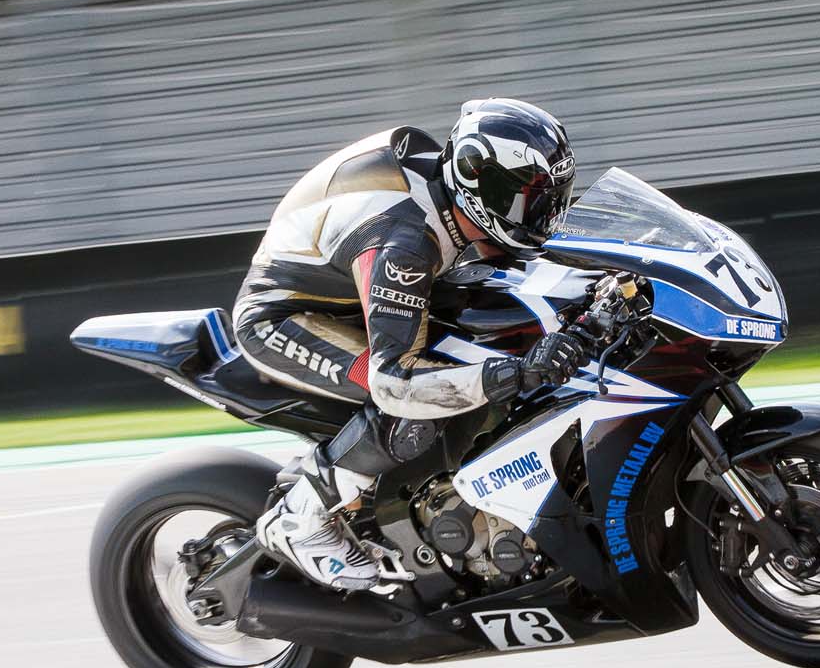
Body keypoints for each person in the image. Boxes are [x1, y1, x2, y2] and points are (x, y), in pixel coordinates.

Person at [234, 99, 587, 591]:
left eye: (552, 198)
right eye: (530, 199)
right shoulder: (406, 244)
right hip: (288, 316)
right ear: (480, 184)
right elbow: (394, 381)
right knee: (416, 405)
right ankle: (302, 520)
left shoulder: (453, 201)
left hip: (352, 293)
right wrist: (517, 372)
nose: (544, 213)